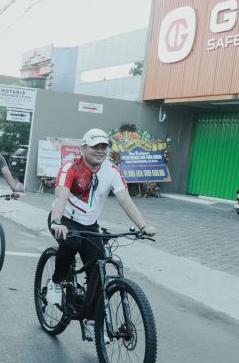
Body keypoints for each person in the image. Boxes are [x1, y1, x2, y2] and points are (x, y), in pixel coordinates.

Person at [45, 128, 156, 330]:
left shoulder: (112, 171)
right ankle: (57, 281)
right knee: (71, 243)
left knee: (98, 266)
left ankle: (90, 317)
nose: (100, 151)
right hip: (65, 219)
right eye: (95, 146)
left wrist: (143, 225)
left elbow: (124, 199)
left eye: (103, 147)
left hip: (89, 224)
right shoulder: (70, 167)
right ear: (83, 148)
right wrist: (56, 221)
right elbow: (61, 196)